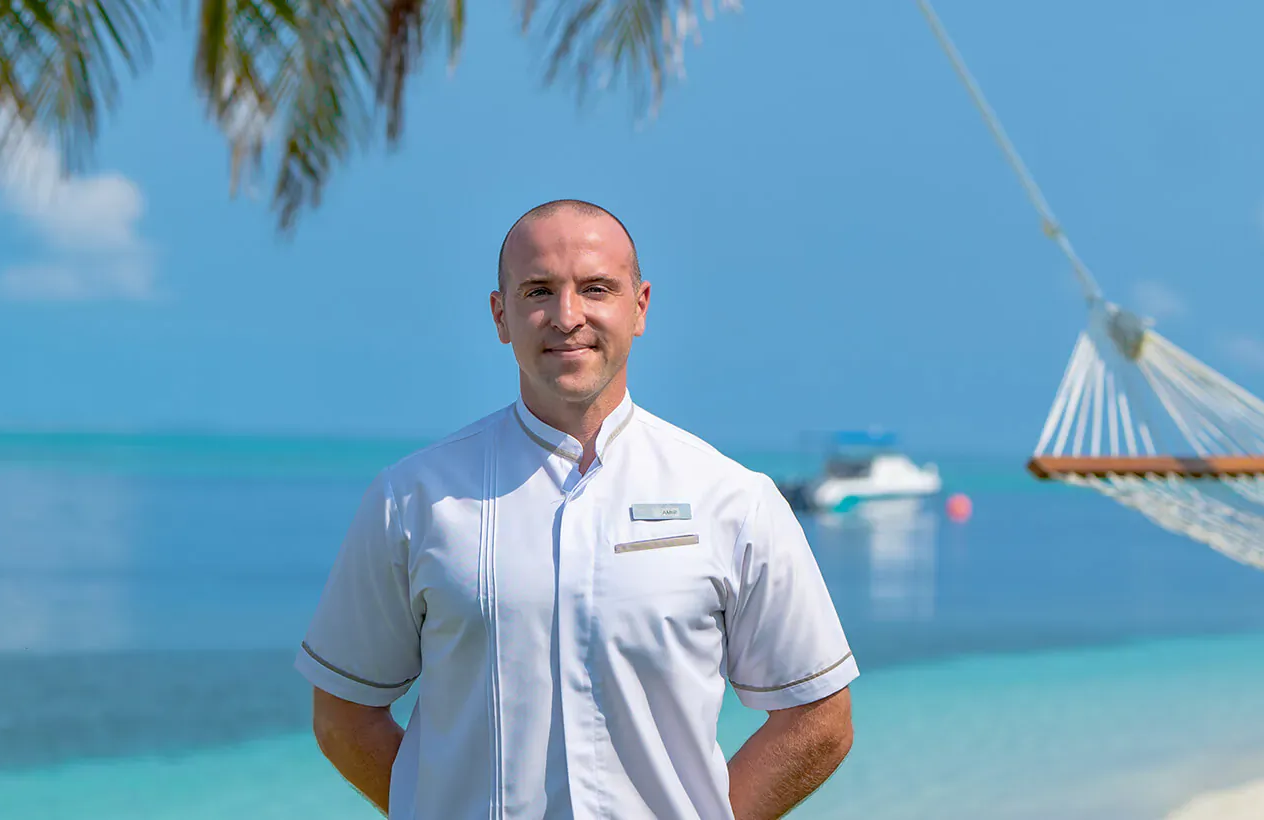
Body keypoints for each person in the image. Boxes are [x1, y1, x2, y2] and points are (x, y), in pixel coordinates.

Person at [296, 199, 858, 819]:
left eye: (596, 288)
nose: (567, 317)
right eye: (538, 291)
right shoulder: (413, 500)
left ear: (639, 307)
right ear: (500, 314)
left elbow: (820, 716)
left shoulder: (732, 498)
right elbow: (344, 716)